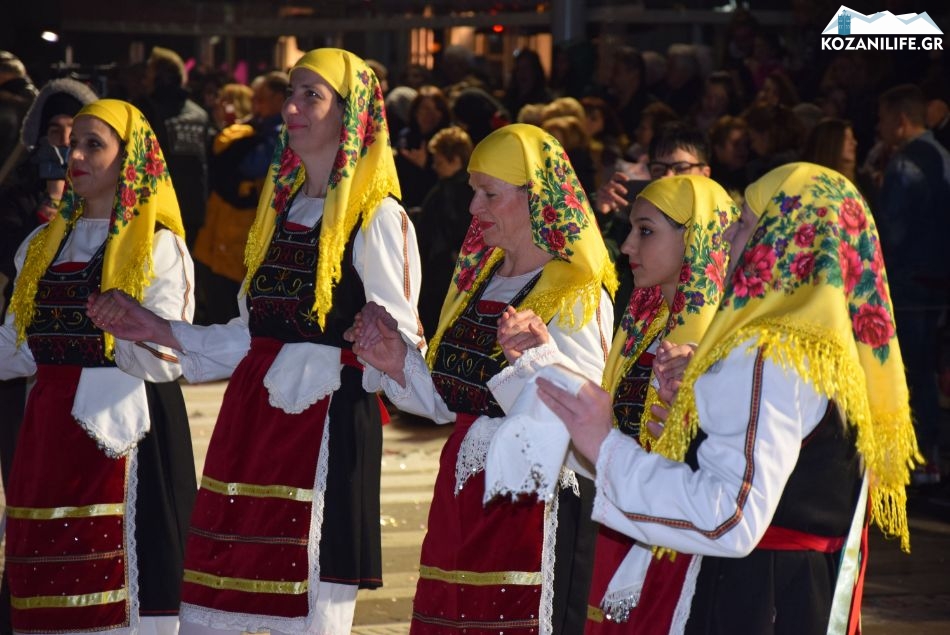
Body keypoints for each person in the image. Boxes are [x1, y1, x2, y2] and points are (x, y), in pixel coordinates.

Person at [89, 48, 423, 634]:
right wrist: (157, 329)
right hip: (251, 423)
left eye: (311, 95)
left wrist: (383, 342)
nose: (291, 107)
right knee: (218, 605)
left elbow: (401, 344)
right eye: (291, 93)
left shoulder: (377, 218)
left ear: (352, 115)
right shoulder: (281, 212)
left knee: (310, 608)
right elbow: (251, 335)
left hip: (325, 431)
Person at [538, 162, 920, 634]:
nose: (727, 237)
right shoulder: (833, 346)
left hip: (755, 595)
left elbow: (728, 514)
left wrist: (605, 444)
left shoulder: (770, 352)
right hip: (803, 590)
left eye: (742, 223)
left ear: (778, 239)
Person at [350, 123, 617, 634]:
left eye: (489, 194)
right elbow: (453, 403)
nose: (474, 207)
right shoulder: (482, 280)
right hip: (462, 498)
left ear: (536, 198)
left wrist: (537, 359)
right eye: (474, 191)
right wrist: (397, 361)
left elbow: (585, 418)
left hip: (532, 505)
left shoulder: (576, 292)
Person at [486, 175, 740, 633]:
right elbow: (607, 431)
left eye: (646, 231)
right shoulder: (644, 325)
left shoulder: (727, 342)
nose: (626, 246)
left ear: (695, 237)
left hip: (680, 543)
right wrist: (541, 361)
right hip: (623, 524)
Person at [0, 98, 197, 634]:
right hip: (46, 435)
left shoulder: (157, 246)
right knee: (46, 584)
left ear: (129, 158)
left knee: (121, 589)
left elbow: (168, 357)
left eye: (94, 145)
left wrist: (130, 327)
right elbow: (17, 347)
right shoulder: (40, 246)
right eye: (73, 145)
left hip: (124, 436)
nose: (77, 156)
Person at [0, 76, 98, 632]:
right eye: (58, 133)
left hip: (91, 384)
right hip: (24, 373)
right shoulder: (15, 198)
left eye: (81, 135)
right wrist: (48, 204)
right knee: (28, 493)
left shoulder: (116, 214)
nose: (68, 147)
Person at [875, 84, 950, 483]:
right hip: (939, 282)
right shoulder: (944, 156)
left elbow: (891, 231)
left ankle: (917, 456)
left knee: (911, 370)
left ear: (900, 120)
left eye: (883, 119)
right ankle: (929, 454)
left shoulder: (905, 165)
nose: (879, 127)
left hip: (908, 284)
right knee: (927, 370)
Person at [192, 71, 288, 325]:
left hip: (248, 240)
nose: (256, 105)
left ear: (279, 99)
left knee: (235, 313)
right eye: (254, 99)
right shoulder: (257, 130)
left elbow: (252, 165)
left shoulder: (279, 132)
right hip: (229, 239)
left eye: (261, 99)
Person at [136, 46, 212, 248]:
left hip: (158, 208)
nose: (144, 81)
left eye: (148, 74)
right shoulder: (200, 114)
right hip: (194, 210)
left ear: (162, 77)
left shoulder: (145, 110)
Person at [414, 125, 474, 338]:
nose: (434, 167)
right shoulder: (468, 188)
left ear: (455, 160)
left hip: (443, 278)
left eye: (439, 162)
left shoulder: (453, 191)